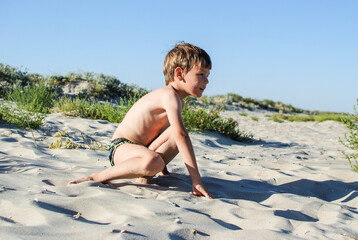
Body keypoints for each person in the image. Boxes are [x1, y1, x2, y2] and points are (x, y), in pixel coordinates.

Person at [68, 42, 213, 199]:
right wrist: (196, 180)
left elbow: (167, 131)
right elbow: (181, 135)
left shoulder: (178, 100)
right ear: (179, 74)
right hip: (121, 147)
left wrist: (163, 170)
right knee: (173, 141)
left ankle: (147, 174)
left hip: (143, 150)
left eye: (207, 76)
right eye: (201, 75)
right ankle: (98, 176)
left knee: (174, 133)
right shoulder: (168, 96)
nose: (206, 81)